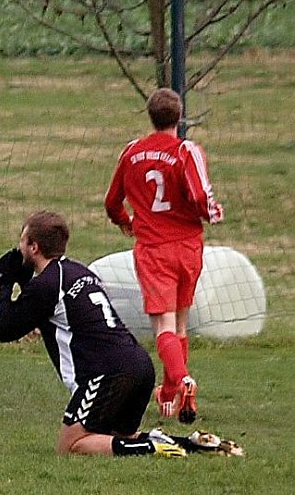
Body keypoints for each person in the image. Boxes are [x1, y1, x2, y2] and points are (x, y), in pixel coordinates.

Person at [0, 211, 187, 457]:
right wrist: (26, 283)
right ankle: (187, 443)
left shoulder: (48, 284)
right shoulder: (79, 271)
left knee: (70, 447)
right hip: (139, 366)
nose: (19, 249)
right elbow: (44, 312)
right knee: (113, 438)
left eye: (22, 241)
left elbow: (4, 330)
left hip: (107, 374)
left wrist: (5, 283)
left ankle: (150, 447)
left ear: (34, 247)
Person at [105, 88, 223, 423]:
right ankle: (169, 393)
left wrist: (126, 222)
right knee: (181, 323)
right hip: (188, 247)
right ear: (179, 116)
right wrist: (213, 212)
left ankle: (182, 380)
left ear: (150, 116)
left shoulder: (132, 152)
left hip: (154, 250)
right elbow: (199, 196)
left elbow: (112, 202)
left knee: (164, 326)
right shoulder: (186, 151)